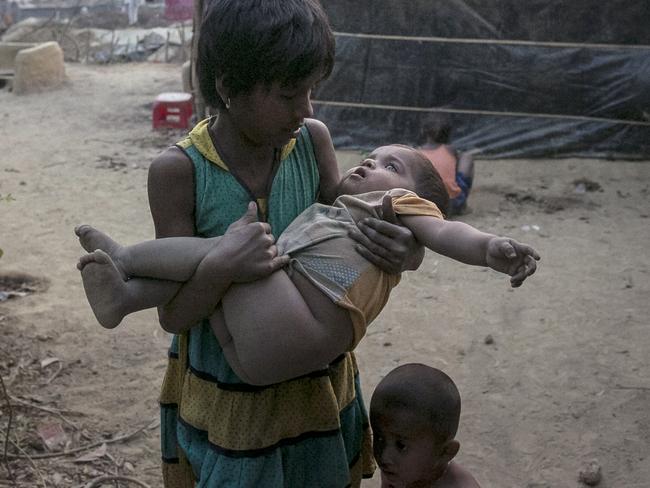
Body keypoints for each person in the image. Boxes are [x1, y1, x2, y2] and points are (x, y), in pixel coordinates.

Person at [113, 1, 425, 486]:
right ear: (228, 88)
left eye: (311, 91)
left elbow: (350, 228)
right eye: (288, 94)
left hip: (314, 388)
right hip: (231, 399)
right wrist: (222, 265)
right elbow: (173, 316)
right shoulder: (179, 173)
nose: (306, 109)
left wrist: (408, 250)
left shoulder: (311, 142)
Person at [76, 144, 539, 386]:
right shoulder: (333, 207)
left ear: (412, 194)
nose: (369, 164)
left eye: (389, 164)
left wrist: (489, 249)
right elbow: (183, 310)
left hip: (300, 327)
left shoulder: (395, 203)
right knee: (230, 258)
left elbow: (446, 232)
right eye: (370, 157)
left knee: (238, 245)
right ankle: (126, 296)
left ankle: (127, 260)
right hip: (260, 349)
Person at [370, 364, 481, 488]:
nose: (384, 455)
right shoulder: (396, 471)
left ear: (445, 452)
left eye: (401, 446)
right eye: (379, 438)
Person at [418, 113, 476, 216]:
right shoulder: (450, 150)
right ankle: (463, 206)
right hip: (452, 204)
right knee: (467, 158)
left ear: (423, 130)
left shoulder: (416, 153)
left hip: (426, 205)